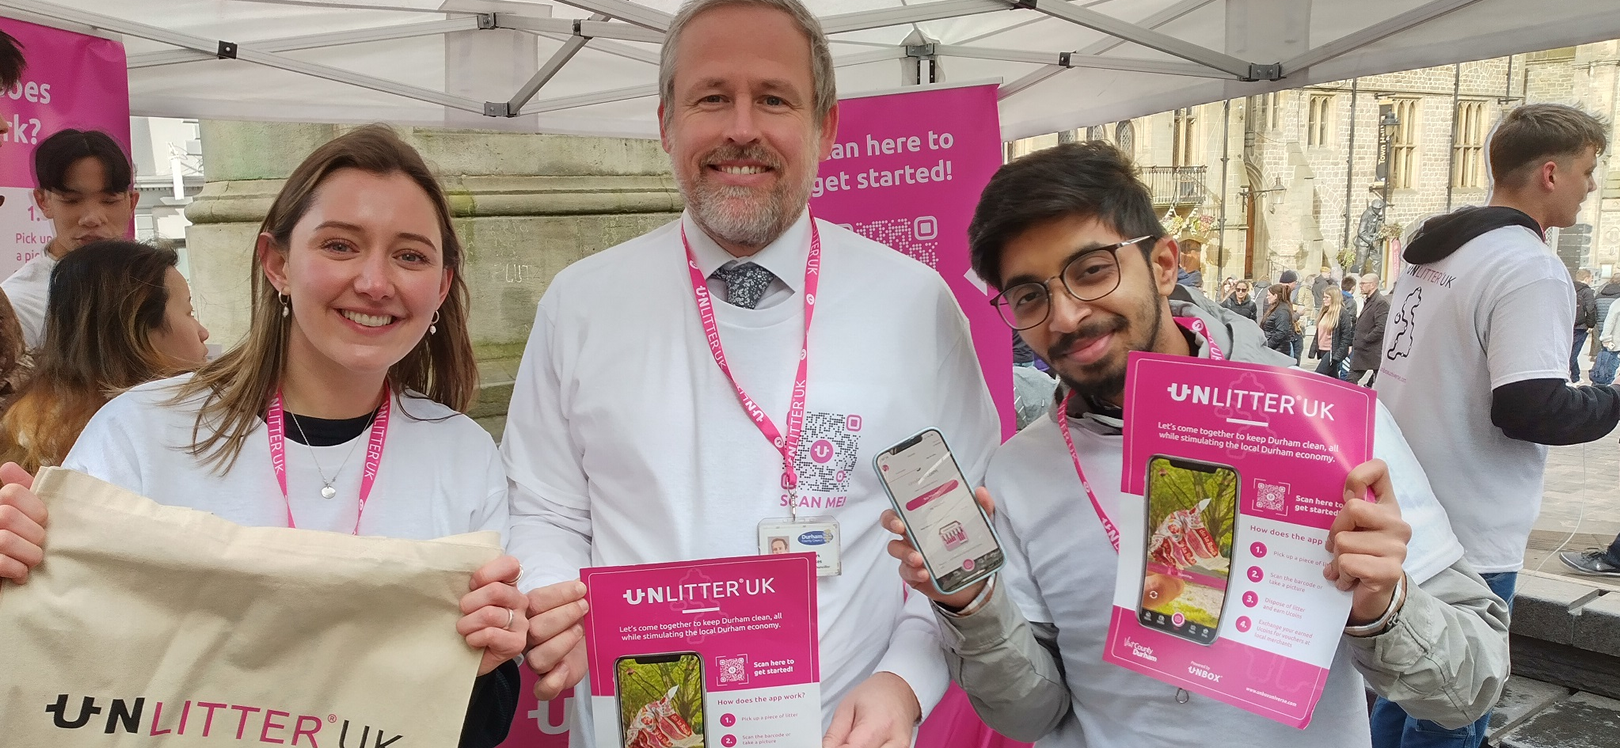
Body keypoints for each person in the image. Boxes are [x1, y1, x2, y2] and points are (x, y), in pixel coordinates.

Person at [878, 141, 1508, 748]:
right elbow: (1030, 714)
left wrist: (1383, 607)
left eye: (1091, 271)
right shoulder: (1017, 473)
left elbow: (1467, 690)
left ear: (1162, 264)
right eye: (1029, 296)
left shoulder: (1327, 426)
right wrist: (972, 605)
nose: (1066, 315)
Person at [503, 2, 1001, 746]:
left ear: (825, 126)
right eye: (712, 98)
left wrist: (906, 678)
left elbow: (959, 538)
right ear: (666, 123)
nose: (742, 127)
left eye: (773, 98)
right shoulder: (581, 304)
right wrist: (554, 599)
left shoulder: (914, 307)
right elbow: (545, 510)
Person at [0, 125, 527, 748]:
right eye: (340, 245)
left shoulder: (464, 455)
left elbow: (474, 725)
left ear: (439, 287)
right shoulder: (142, 431)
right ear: (276, 263)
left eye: (410, 255)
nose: (376, 282)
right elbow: (61, 669)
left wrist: (489, 661)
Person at [1376, 103, 1620, 747]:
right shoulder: (1529, 266)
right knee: (1453, 706)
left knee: (1401, 693)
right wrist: (1611, 398)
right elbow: (1528, 407)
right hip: (1473, 525)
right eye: (1588, 171)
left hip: (1413, 510)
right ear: (1549, 172)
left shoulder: (1433, 249)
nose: (1591, 186)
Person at [0, 240, 208, 471]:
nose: (203, 332)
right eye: (189, 312)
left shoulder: (30, 427)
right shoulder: (155, 431)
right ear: (139, 330)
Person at [6, 129, 139, 349]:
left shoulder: (153, 283)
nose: (92, 218)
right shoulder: (18, 305)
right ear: (43, 202)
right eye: (72, 201)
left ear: (131, 203)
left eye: (109, 200)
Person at [1349, 273, 1388, 387]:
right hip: (1362, 351)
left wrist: (1366, 339)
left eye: (1363, 283)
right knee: (1350, 380)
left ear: (1372, 285)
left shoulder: (1380, 302)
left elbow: (1381, 327)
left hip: (1371, 351)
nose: (1360, 286)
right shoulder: (1369, 300)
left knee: (1378, 382)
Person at [1312, 288, 1354, 380]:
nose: (1324, 299)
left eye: (1327, 297)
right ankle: (1339, 393)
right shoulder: (1324, 312)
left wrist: (1339, 353)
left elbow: (1346, 336)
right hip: (1323, 349)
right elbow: (1318, 333)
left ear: (1334, 298)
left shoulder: (1342, 313)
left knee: (1317, 377)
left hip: (1332, 351)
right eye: (1324, 297)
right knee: (1332, 378)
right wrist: (1314, 349)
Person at [1570, 268, 1598, 382]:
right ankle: (1567, 376)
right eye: (1591, 278)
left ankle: (1576, 376)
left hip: (1569, 324)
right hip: (1581, 326)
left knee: (1570, 350)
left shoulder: (1569, 287)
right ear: (1586, 278)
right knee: (1574, 352)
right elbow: (1590, 309)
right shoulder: (1587, 291)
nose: (1591, 280)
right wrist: (1590, 325)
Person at [1260, 284, 1296, 359]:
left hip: (1278, 350)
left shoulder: (1282, 310)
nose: (1267, 298)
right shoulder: (1275, 308)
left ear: (1275, 296)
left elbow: (1281, 332)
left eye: (1269, 295)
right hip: (1274, 348)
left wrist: (1268, 345)